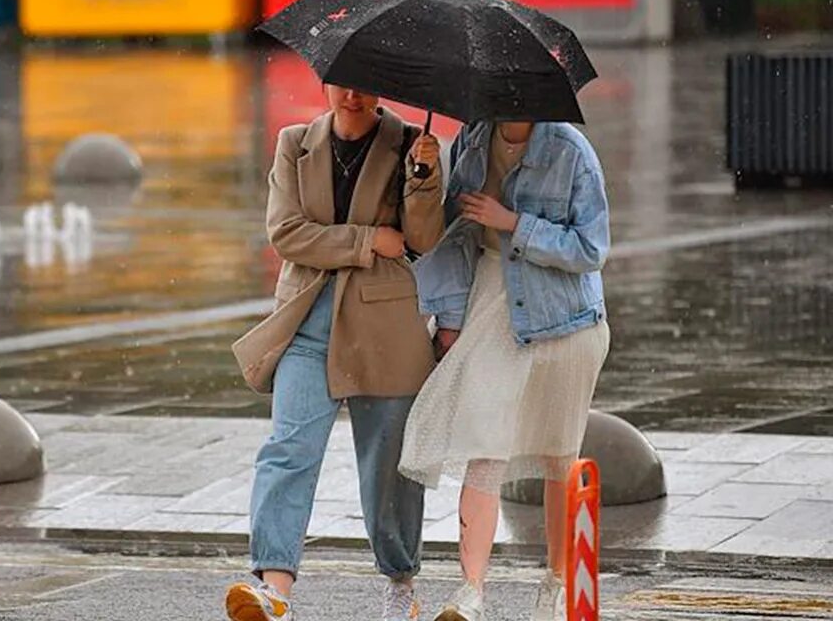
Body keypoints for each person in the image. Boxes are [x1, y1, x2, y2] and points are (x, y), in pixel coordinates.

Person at [226, 85, 445, 621]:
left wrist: (423, 180)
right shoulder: (294, 143)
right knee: (288, 448)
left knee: (388, 469)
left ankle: (400, 583)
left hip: (385, 323)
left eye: (364, 85)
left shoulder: (410, 144)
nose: (352, 95)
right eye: (341, 82)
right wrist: (368, 239)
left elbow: (423, 239)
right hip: (308, 319)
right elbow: (287, 233)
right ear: (323, 84)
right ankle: (275, 588)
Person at [399, 120, 611, 621]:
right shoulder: (472, 140)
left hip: (564, 316)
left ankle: (558, 583)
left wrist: (515, 223)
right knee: (483, 448)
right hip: (491, 306)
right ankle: (471, 592)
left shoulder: (572, 150)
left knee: (559, 456)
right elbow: (447, 240)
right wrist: (425, 173)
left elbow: (592, 248)